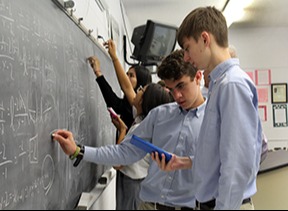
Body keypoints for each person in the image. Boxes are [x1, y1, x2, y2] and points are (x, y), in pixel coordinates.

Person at [52, 49, 206, 210]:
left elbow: (223, 166)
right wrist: (78, 151)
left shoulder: (214, 119)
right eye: (171, 89)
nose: (177, 96)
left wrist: (187, 163)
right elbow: (124, 153)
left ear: (198, 77)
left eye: (181, 86)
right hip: (150, 205)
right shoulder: (159, 115)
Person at [175, 6, 262, 210]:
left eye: (187, 48)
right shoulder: (218, 85)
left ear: (205, 39)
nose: (186, 58)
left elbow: (237, 164)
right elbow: (217, 153)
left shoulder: (232, 85)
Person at [87, 40, 152, 210]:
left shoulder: (142, 114)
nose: (127, 78)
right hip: (127, 173)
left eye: (132, 75)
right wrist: (99, 74)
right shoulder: (134, 111)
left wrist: (115, 57)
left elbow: (118, 160)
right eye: (128, 74)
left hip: (132, 174)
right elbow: (113, 100)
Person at [109, 82, 174, 210]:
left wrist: (123, 131)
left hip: (132, 183)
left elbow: (117, 162)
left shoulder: (140, 128)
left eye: (141, 90)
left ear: (144, 101)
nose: (137, 91)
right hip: (135, 181)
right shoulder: (144, 124)